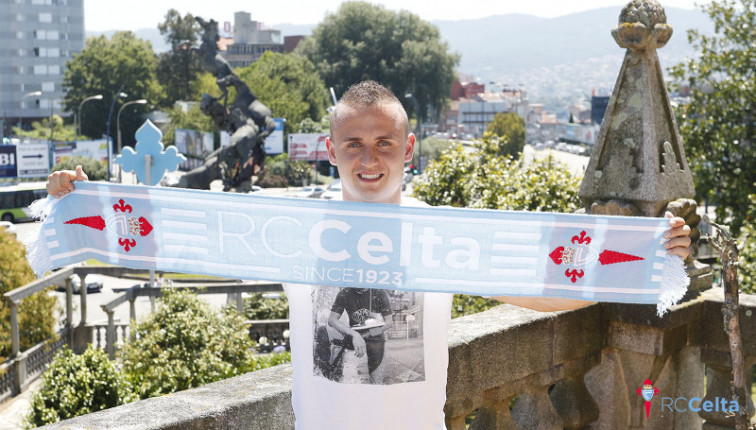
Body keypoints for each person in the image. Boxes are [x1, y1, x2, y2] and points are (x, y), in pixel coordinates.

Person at [47, 81, 691, 429]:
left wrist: (654, 258)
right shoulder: (290, 226)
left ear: (407, 151)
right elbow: (159, 240)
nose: (369, 156)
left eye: (384, 141)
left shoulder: (445, 233)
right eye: (353, 142)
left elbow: (549, 292)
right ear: (330, 150)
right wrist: (76, 206)